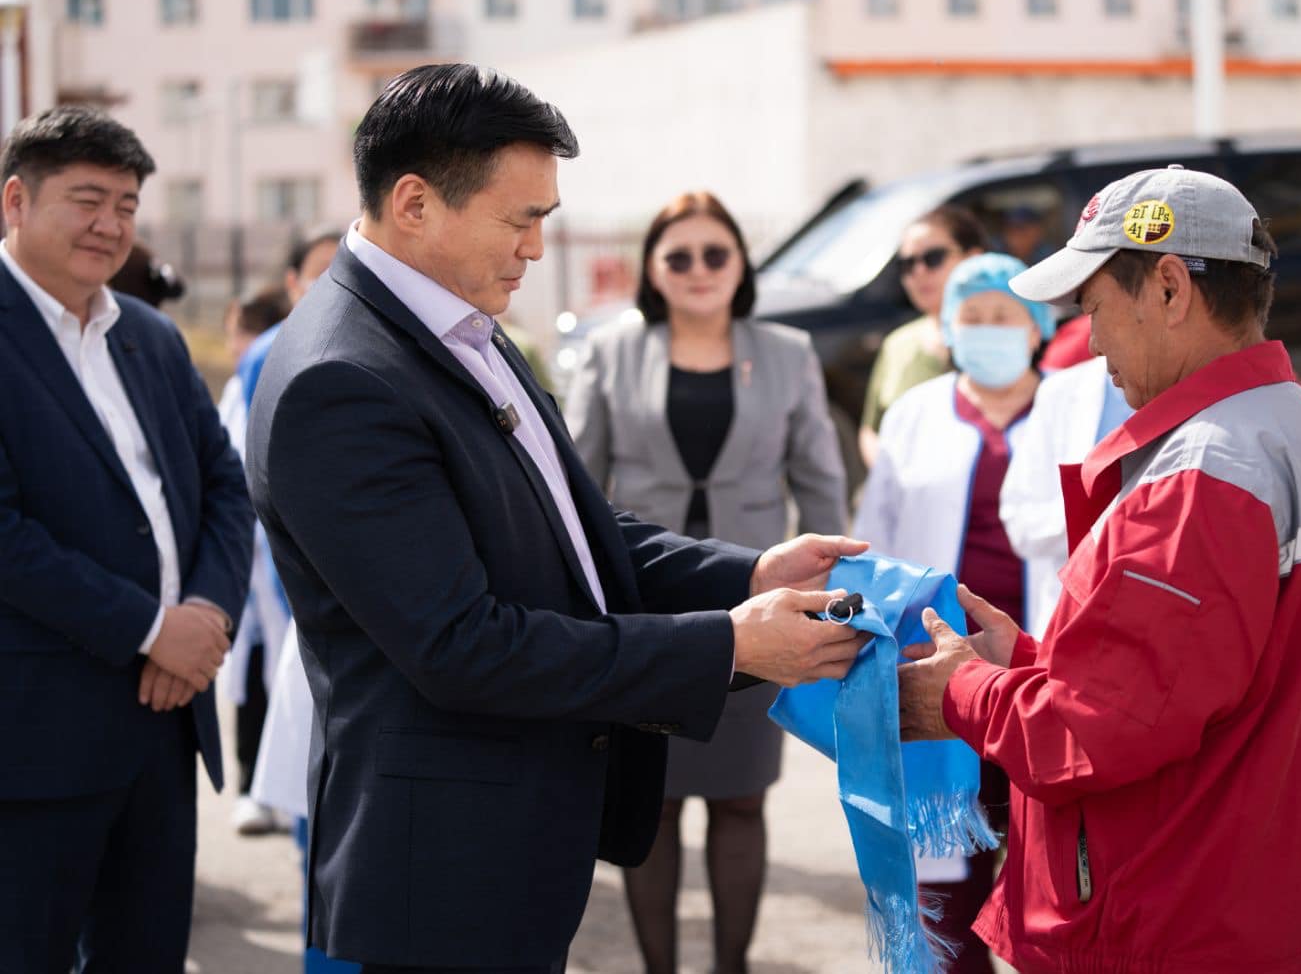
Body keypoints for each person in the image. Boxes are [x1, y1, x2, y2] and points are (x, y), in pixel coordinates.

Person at [245, 63, 867, 973]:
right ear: (415, 203)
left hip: (508, 843)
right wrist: (727, 645)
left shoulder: (458, 321)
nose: (537, 247)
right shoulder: (343, 380)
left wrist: (750, 574)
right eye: (520, 219)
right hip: (434, 879)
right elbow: (462, 647)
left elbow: (573, 531)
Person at [897, 166, 1301, 973]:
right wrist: (1026, 663)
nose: (1088, 342)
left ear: (1167, 287)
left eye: (1093, 310)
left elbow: (1095, 728)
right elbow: (1190, 681)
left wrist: (958, 692)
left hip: (1157, 921)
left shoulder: (1203, 473)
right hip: (1236, 904)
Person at [567, 190, 849, 974]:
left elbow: (820, 482)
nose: (698, 270)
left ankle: (732, 966)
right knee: (649, 804)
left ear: (740, 264)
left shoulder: (788, 352)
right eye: (678, 256)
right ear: (653, 270)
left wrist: (839, 595)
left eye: (715, 253)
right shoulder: (610, 352)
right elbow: (580, 490)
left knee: (741, 797)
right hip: (645, 603)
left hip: (763, 599)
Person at [0, 106, 254, 970]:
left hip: (166, 718)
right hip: (35, 739)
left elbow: (227, 486)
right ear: (17, 203)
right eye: (86, 199)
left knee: (145, 956)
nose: (110, 224)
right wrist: (152, 628)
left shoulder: (149, 336)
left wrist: (210, 613)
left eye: (127, 204)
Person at [854, 252, 1055, 974]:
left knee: (1055, 883)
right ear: (946, 328)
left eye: (1003, 315)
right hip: (936, 678)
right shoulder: (915, 412)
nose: (987, 330)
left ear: (1037, 325)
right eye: (971, 318)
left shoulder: (1078, 410)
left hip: (1045, 676)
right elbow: (875, 538)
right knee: (945, 891)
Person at [215, 285, 292, 836]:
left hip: (282, 560)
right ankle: (252, 787)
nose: (232, 345)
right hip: (254, 560)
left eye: (236, 331)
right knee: (256, 677)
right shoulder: (242, 382)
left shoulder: (276, 357)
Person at [998, 355, 1132, 627]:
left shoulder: (1205, 385)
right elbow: (1021, 522)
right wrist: (1099, 514)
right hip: (1072, 612)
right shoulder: (1062, 391)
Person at [858, 205, 986, 468]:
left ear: (974, 257)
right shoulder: (897, 344)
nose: (918, 272)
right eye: (906, 264)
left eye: (933, 258)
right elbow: (871, 430)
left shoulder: (1006, 339)